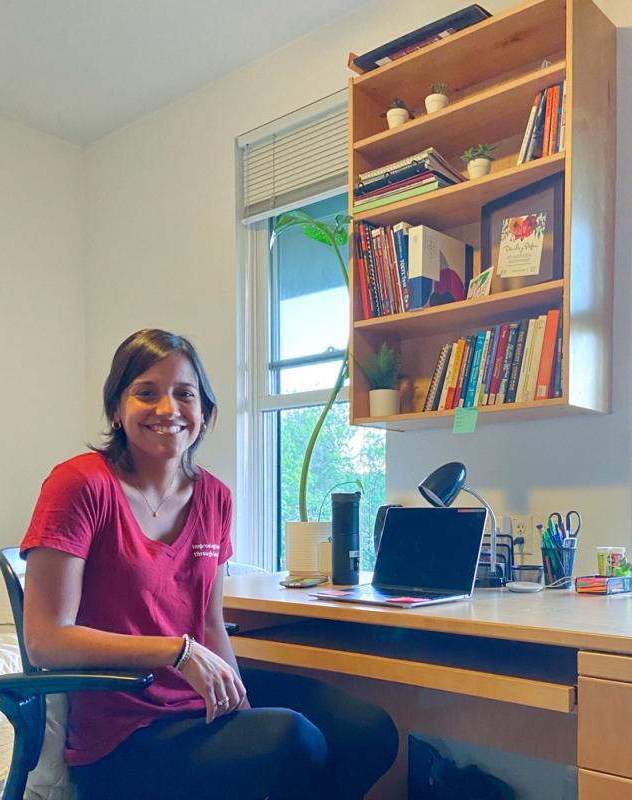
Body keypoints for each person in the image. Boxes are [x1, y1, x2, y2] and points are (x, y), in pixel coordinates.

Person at [21, 328, 398, 800]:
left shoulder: (214, 497)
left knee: (367, 730)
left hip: (197, 705)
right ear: (116, 409)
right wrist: (177, 651)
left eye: (185, 394)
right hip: (122, 735)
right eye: (146, 393)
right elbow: (46, 640)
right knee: (295, 741)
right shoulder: (79, 485)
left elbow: (209, 621)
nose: (168, 409)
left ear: (203, 413)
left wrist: (239, 702)